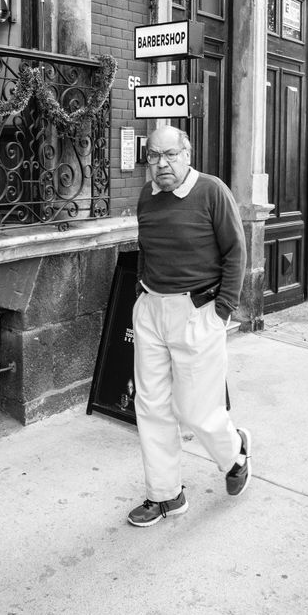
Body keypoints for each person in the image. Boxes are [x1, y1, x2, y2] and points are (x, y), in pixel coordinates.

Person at [128, 124, 250, 527]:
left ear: (187, 154)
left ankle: (234, 454)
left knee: (197, 411)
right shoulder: (147, 196)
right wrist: (142, 295)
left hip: (198, 312)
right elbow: (148, 248)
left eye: (169, 155)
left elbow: (236, 251)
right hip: (151, 310)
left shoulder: (212, 191)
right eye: (153, 157)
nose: (161, 164)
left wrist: (223, 309)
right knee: (151, 407)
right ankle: (165, 495)